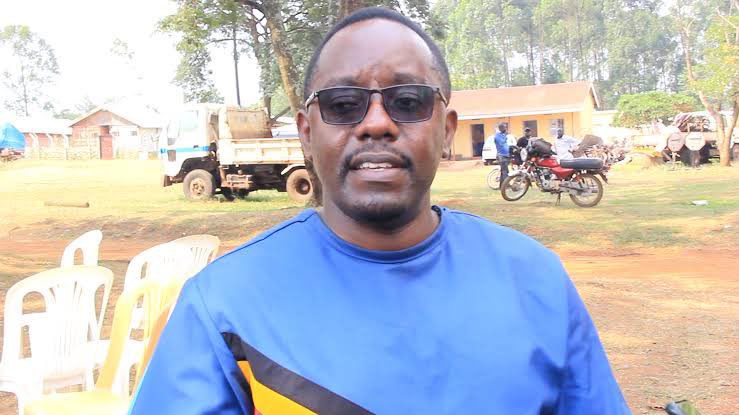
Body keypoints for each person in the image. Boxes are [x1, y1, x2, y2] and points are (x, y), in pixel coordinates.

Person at [130, 7, 629, 415]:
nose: (376, 123)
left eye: (408, 101)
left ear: (446, 129)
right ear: (306, 133)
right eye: (343, 103)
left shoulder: (536, 282)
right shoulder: (224, 304)